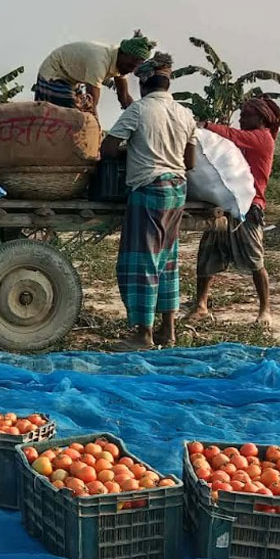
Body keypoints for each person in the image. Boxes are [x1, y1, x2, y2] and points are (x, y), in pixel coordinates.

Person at [100, 62, 197, 350]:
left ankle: (143, 334)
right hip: (177, 190)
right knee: (167, 259)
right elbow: (189, 162)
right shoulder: (184, 113)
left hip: (148, 189)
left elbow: (107, 149)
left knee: (142, 261)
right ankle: (168, 331)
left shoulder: (139, 110)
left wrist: (133, 150)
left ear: (143, 84)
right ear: (168, 84)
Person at [184, 96, 280, 327]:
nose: (240, 118)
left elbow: (232, 136)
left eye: (245, 115)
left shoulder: (261, 138)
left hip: (248, 209)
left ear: (259, 118)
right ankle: (200, 305)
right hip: (226, 207)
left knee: (254, 260)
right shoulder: (256, 137)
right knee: (207, 255)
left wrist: (206, 126)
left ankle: (264, 310)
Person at [34, 31, 155, 116]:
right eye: (129, 66)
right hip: (53, 74)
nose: (131, 70)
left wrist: (139, 117)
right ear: (122, 54)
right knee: (75, 109)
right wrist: (97, 131)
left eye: (134, 68)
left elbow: (124, 97)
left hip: (71, 79)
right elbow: (92, 104)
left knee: (80, 109)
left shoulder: (123, 65)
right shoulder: (100, 60)